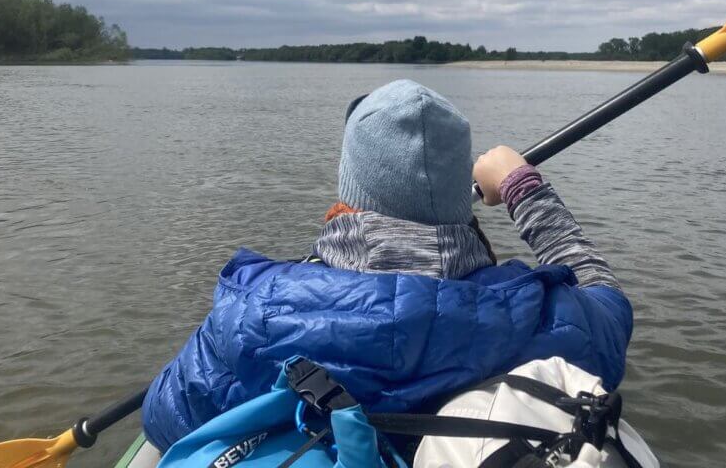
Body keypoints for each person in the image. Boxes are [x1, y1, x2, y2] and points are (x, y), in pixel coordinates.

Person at [142, 79, 632, 455]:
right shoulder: (545, 316)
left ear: (349, 195)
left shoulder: (256, 309)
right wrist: (522, 186)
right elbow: (604, 294)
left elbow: (161, 421)